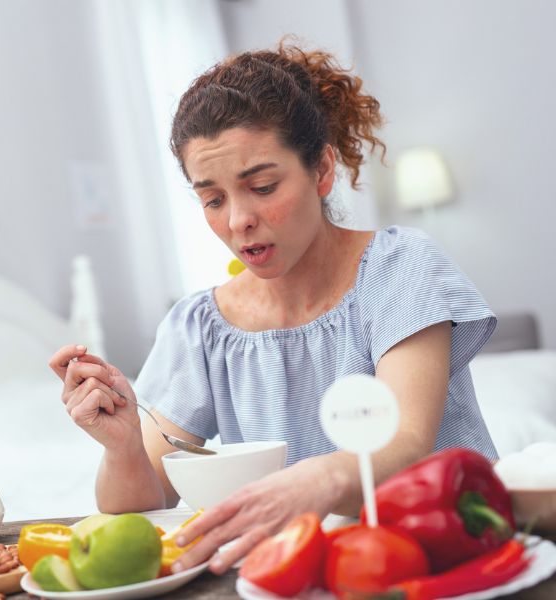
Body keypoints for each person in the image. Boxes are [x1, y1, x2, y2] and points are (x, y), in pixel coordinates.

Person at [49, 42, 496, 575]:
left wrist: (317, 480)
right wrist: (122, 448)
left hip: (452, 550)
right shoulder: (201, 327)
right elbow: (142, 510)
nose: (238, 220)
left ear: (323, 170)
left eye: (261, 186)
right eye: (212, 200)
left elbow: (407, 443)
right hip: (302, 574)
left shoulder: (401, 268)